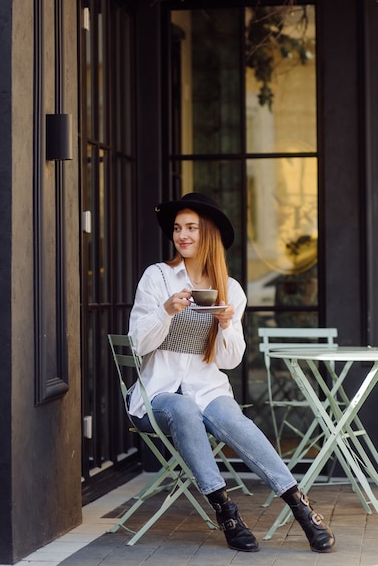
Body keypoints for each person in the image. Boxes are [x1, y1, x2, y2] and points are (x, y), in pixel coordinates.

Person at [127, 192, 335, 553]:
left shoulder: (231, 289)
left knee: (233, 419)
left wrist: (226, 325)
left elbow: (230, 360)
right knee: (183, 408)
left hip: (208, 389)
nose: (182, 235)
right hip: (157, 396)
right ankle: (227, 513)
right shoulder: (157, 277)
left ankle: (302, 509)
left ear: (208, 234)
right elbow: (137, 344)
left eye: (191, 228)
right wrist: (166, 311)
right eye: (178, 228)